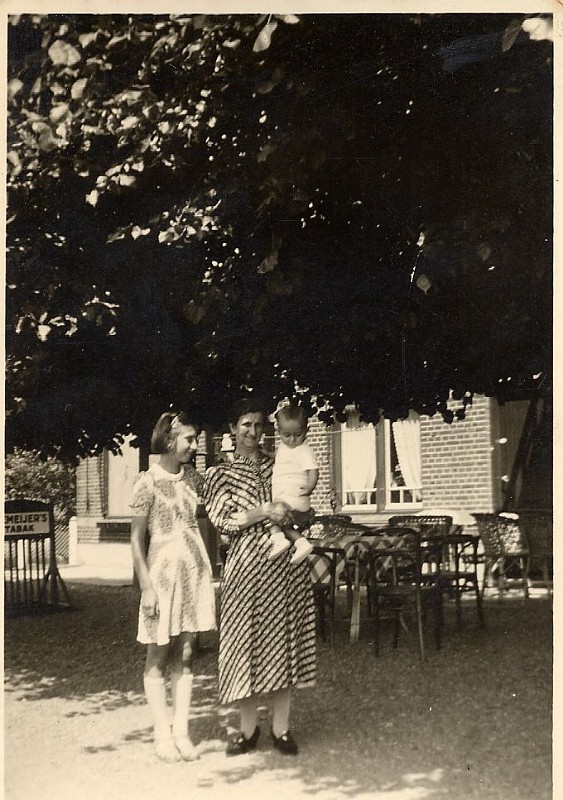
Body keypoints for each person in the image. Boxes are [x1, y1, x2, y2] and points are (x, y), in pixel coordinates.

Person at [203, 397, 316, 757]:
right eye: (245, 424)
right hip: (246, 568)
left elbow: (302, 502)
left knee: (283, 643)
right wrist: (264, 511)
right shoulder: (219, 474)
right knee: (245, 644)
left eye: (258, 425)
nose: (253, 432)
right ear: (233, 429)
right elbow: (224, 521)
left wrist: (298, 515)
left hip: (285, 567)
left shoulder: (280, 461)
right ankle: (248, 729)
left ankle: (281, 728)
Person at [130, 411, 217, 763]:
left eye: (195, 439)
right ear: (169, 439)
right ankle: (162, 734)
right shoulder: (147, 482)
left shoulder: (194, 478)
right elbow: (136, 540)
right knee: (158, 653)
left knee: (186, 653)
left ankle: (181, 732)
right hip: (162, 580)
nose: (194, 446)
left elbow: (215, 511)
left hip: (193, 576)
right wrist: (146, 588)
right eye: (189, 439)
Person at [267, 403, 318, 564]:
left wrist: (309, 488)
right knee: (285, 525)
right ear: (279, 432)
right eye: (286, 435)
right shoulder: (284, 447)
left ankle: (278, 539)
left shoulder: (304, 450)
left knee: (270, 514)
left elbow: (313, 471)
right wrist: (267, 453)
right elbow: (280, 459)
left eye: (297, 434)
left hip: (294, 497)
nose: (292, 440)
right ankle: (301, 543)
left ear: (306, 431)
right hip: (288, 497)